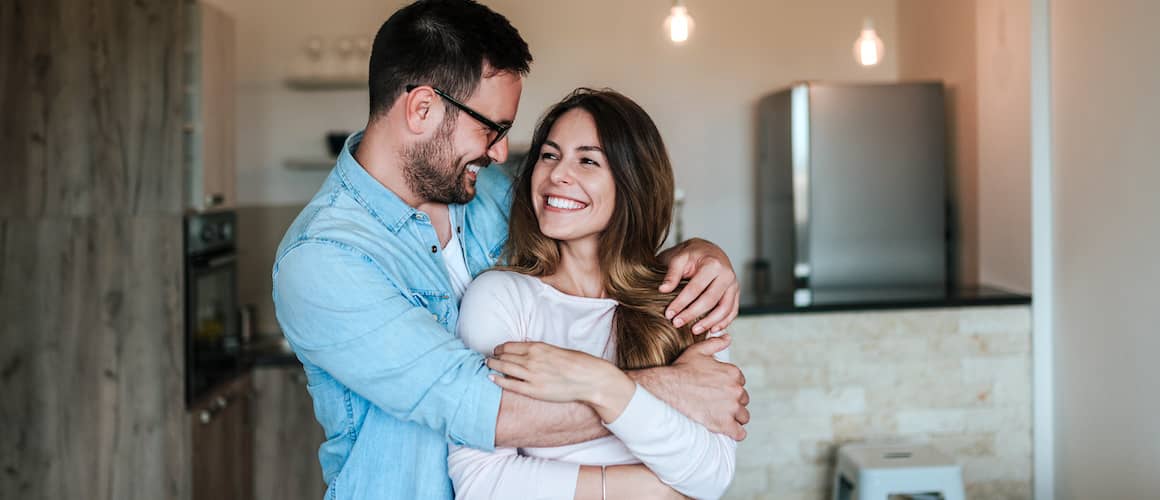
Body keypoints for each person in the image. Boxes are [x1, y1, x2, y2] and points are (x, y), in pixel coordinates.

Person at [272, 1, 748, 499]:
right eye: (490, 127)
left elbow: (600, 222)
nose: (500, 152)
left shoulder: (486, 192)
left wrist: (701, 252)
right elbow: (489, 412)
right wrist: (670, 389)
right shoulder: (323, 260)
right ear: (422, 109)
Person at [448, 89, 737, 500]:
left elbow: (712, 473)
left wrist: (601, 383)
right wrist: (655, 489)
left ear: (632, 182)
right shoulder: (500, 297)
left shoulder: (686, 299)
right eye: (549, 155)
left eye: (587, 160)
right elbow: (483, 484)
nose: (557, 175)